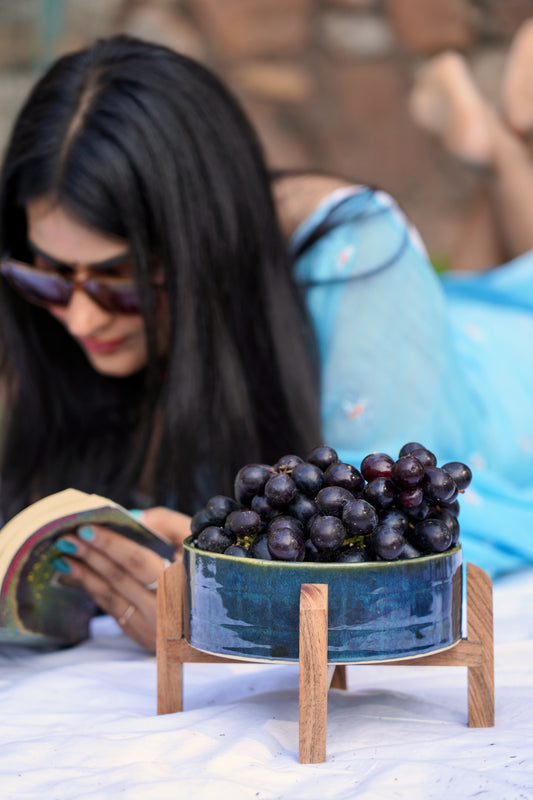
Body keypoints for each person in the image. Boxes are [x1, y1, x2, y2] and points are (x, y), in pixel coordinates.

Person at [1, 35, 532, 652]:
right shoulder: (58, 323)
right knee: (475, 288)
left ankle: (499, 147)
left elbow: (399, 541)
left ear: (204, 249)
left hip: (509, 385)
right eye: (47, 276)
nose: (81, 320)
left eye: (124, 283)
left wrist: (229, 601)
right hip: (438, 327)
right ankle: (488, 150)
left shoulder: (356, 249)